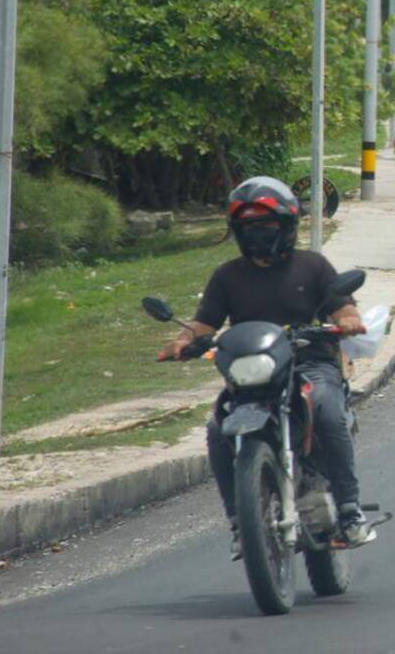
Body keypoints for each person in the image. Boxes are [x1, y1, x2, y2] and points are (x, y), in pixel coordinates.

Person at [158, 176, 376, 559]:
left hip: (310, 365)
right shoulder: (227, 276)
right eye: (249, 227)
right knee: (216, 429)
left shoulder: (313, 266)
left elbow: (342, 306)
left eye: (267, 225)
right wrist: (183, 341)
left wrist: (347, 320)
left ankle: (349, 509)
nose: (258, 233)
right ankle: (241, 523)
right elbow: (204, 323)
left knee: (327, 411)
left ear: (288, 226)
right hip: (253, 375)